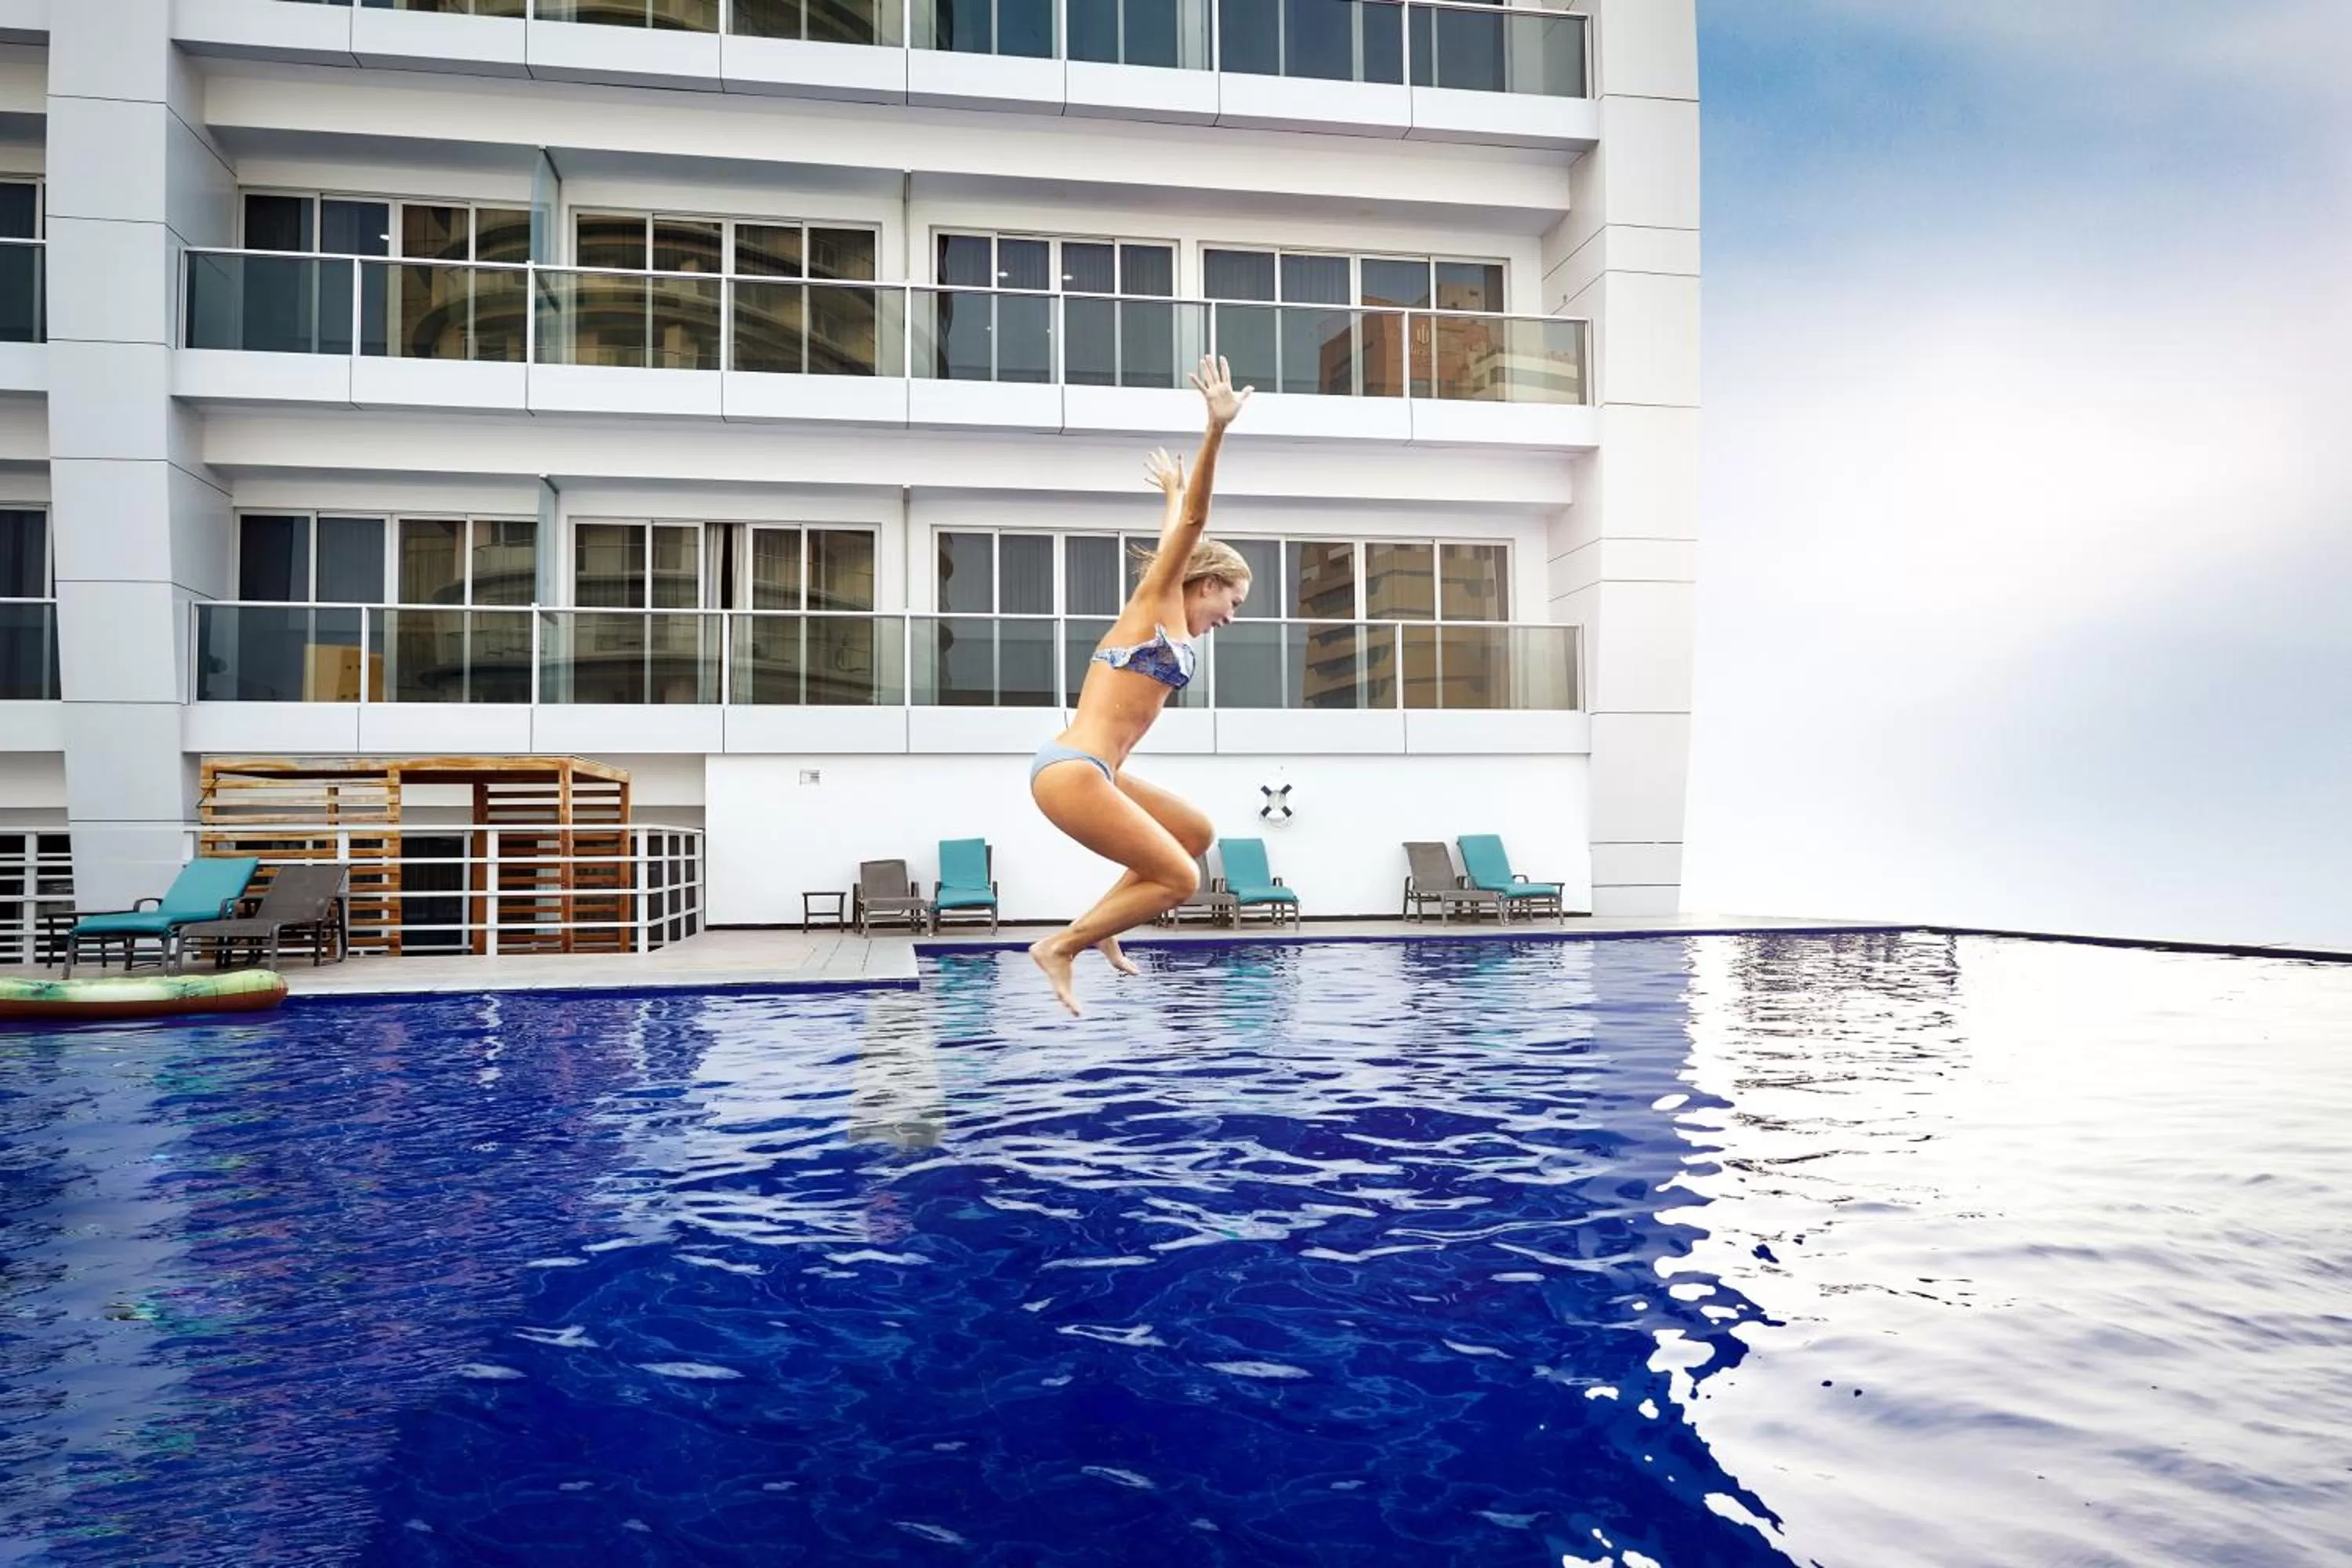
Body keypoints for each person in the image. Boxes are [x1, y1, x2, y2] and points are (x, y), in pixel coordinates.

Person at [1028, 355, 1253, 1015]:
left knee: (1196, 832)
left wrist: (1169, 494)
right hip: (1073, 771)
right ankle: (1061, 946)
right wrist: (1215, 431)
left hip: (1100, 771)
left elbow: (1175, 529)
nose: (1231, 619)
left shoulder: (1173, 617)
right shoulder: (1154, 603)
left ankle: (1102, 930)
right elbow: (1190, 530)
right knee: (1180, 879)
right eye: (1232, 603)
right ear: (1205, 583)